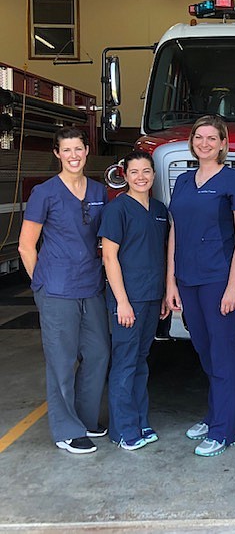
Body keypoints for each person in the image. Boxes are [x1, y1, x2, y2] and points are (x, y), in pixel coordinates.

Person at [165, 115, 235, 457]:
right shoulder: (184, 182)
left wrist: (234, 286)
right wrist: (170, 280)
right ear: (192, 142)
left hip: (220, 279)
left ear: (222, 144)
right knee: (203, 349)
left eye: (211, 138)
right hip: (188, 279)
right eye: (198, 137)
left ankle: (223, 430)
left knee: (223, 351)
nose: (204, 143)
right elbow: (175, 231)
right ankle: (215, 413)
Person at [18, 126, 110, 455]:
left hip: (90, 284)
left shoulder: (99, 190)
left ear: (87, 151)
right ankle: (66, 429)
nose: (73, 155)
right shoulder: (45, 192)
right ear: (57, 154)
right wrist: (40, 283)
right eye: (66, 150)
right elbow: (26, 246)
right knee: (61, 360)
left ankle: (84, 418)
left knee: (98, 353)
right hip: (56, 287)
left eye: (79, 149)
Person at [99, 151, 168, 451]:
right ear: (124, 176)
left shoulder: (160, 209)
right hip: (128, 300)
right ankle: (123, 429)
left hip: (152, 297)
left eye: (146, 171)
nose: (141, 177)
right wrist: (122, 302)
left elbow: (161, 254)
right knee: (125, 363)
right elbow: (109, 257)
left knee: (140, 361)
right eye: (134, 172)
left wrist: (164, 294)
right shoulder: (118, 210)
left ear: (153, 175)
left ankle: (140, 420)